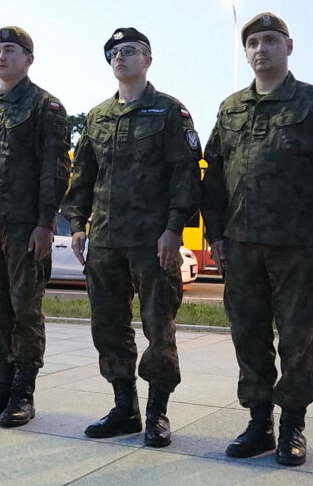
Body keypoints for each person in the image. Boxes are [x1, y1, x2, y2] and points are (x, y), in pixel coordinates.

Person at [201, 13, 313, 466]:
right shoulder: (230, 108)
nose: (260, 49)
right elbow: (212, 177)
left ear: (289, 47)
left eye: (270, 40)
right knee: (248, 336)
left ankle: (293, 426)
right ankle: (258, 424)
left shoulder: (312, 103)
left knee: (296, 338)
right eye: (252, 42)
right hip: (241, 245)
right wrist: (215, 233)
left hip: (296, 244)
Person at [62, 28, 201, 447]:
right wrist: (78, 225)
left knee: (159, 327)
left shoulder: (169, 112)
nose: (120, 58)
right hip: (104, 241)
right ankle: (125, 407)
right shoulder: (98, 116)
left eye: (130, 51)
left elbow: (186, 175)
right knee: (108, 325)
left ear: (148, 60)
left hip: (151, 242)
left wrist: (174, 229)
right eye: (114, 53)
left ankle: (157, 411)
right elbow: (82, 176)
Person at [0, 26, 71, 427]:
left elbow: (55, 169)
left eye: (10, 50)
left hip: (25, 226)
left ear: (28, 59)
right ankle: (0, 385)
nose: (1, 56)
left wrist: (45, 223)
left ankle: (23, 391)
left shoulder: (45, 106)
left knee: (26, 309)